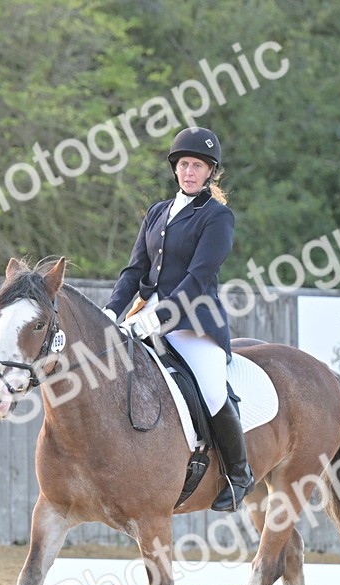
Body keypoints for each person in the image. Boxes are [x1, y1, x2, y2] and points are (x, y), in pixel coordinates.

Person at [102, 126, 254, 512]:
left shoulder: (218, 217)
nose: (189, 172)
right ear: (175, 169)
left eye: (198, 166)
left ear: (210, 173)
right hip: (142, 313)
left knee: (211, 388)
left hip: (192, 322)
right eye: (184, 164)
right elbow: (135, 269)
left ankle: (239, 474)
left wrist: (159, 318)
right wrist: (111, 312)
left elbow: (199, 277)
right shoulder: (157, 212)